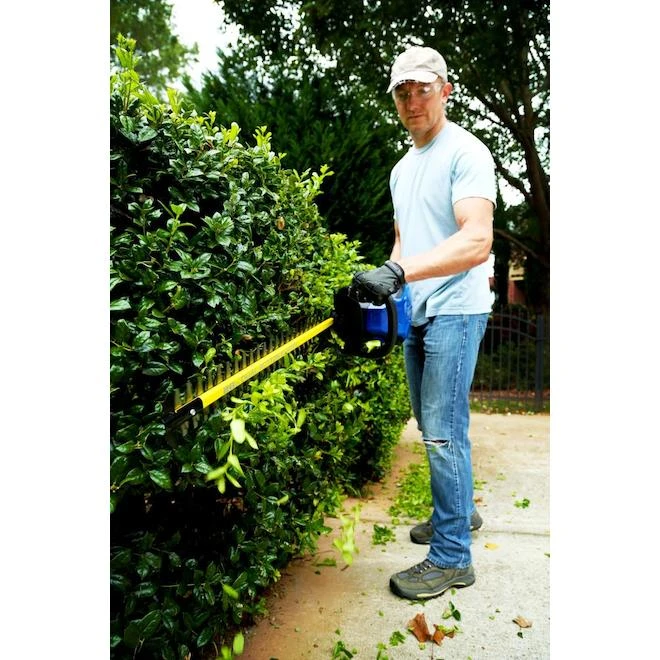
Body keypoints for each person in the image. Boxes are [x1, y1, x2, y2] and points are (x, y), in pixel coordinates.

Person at [352, 45, 496, 601]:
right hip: (419, 309)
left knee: (441, 431)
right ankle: (458, 514)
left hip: (457, 309)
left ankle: (453, 557)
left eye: (423, 89)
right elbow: (403, 242)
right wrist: (387, 294)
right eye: (402, 92)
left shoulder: (466, 152)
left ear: (445, 91)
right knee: (434, 422)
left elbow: (476, 239)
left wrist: (400, 271)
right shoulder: (401, 169)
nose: (412, 101)